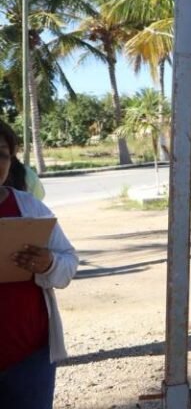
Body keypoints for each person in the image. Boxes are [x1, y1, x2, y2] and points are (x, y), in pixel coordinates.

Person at [0, 120, 78, 408]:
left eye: (2, 153)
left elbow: (69, 264)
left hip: (29, 360)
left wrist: (49, 264)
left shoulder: (29, 207)